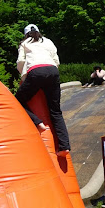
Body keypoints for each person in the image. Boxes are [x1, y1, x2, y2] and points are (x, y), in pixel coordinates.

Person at [15, 24, 70, 156]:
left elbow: (21, 61)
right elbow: (56, 59)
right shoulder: (48, 41)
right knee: (55, 110)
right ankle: (64, 146)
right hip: (52, 70)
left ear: (26, 34)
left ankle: (37, 122)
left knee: (18, 101)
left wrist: (24, 77)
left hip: (36, 71)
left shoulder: (24, 43)